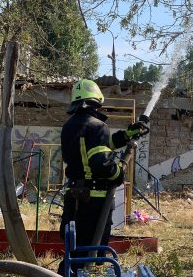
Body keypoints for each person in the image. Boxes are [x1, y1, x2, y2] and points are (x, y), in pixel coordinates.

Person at [57, 79, 148, 275]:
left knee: (74, 249)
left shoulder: (70, 126)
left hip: (74, 197)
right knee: (92, 250)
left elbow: (99, 147)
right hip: (94, 201)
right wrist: (118, 174)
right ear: (97, 101)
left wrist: (126, 135)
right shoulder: (97, 126)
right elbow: (99, 161)